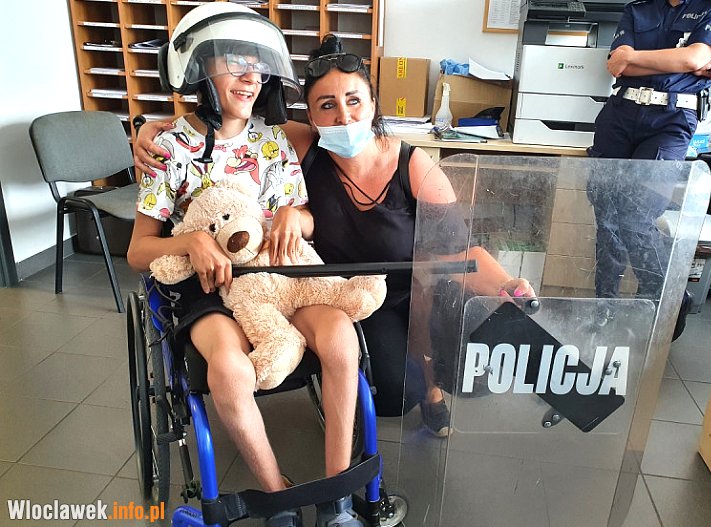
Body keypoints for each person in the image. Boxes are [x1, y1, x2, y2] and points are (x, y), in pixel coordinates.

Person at [134, 34, 535, 438]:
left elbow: (460, 251)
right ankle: (410, 385)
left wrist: (507, 285)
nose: (343, 117)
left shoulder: (414, 166)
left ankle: (434, 388)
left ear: (373, 104)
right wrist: (152, 131)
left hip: (419, 287)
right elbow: (226, 122)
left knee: (470, 358)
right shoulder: (299, 144)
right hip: (352, 291)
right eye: (327, 105)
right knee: (393, 393)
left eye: (354, 100)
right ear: (310, 116)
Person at [126, 6, 364, 527]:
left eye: (258, 66)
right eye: (235, 63)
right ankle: (277, 495)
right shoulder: (168, 147)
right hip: (207, 288)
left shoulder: (273, 141)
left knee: (341, 336)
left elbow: (303, 217)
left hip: (275, 275)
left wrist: (293, 217)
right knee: (230, 372)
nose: (251, 77)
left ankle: (337, 496)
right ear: (198, 68)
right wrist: (190, 240)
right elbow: (138, 251)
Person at [586, 0, 711, 300]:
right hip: (620, 114)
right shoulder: (637, 8)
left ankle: (664, 299)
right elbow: (617, 65)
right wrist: (678, 62)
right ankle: (604, 304)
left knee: (635, 217)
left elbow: (693, 57)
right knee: (607, 217)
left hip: (671, 120)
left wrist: (634, 56)